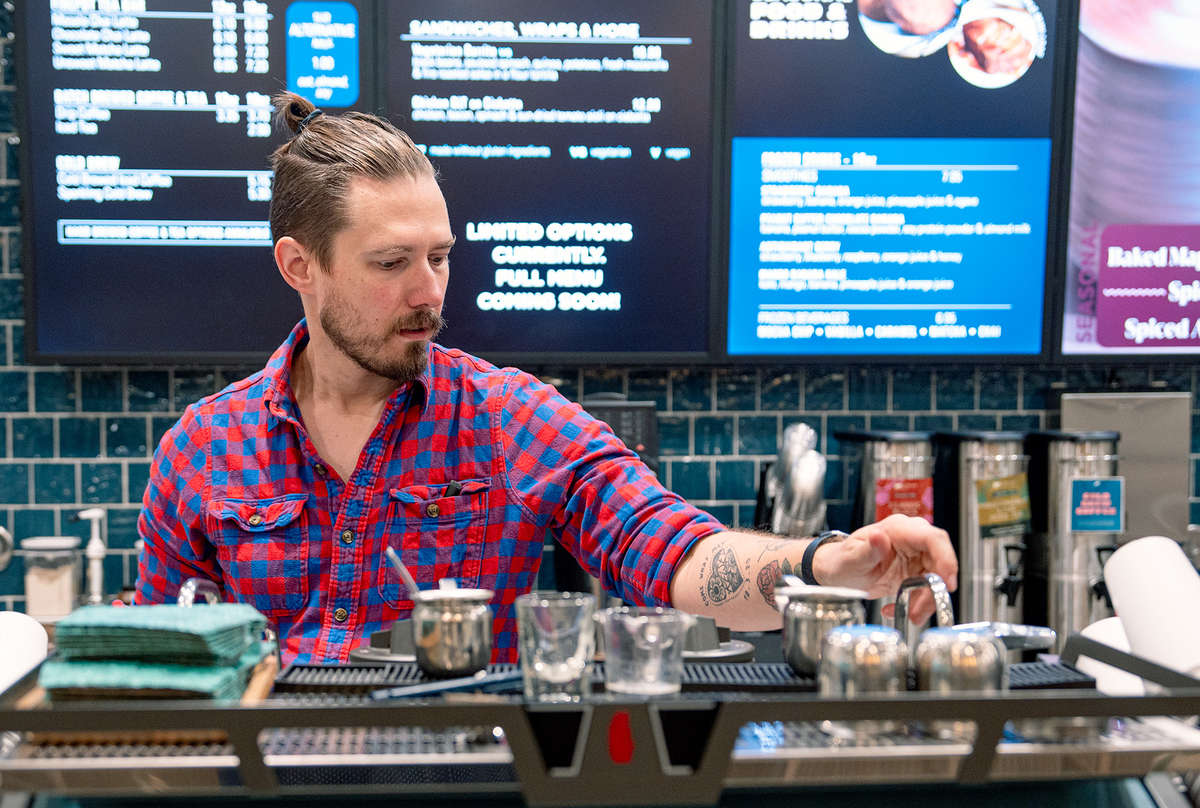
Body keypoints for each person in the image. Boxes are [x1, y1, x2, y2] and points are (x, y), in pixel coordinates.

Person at [136, 93, 958, 665]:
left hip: (464, 801)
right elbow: (150, 664)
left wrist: (823, 565)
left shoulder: (508, 419)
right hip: (266, 807)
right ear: (299, 266)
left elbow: (670, 553)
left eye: (440, 256)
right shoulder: (203, 450)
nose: (428, 291)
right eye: (391, 263)